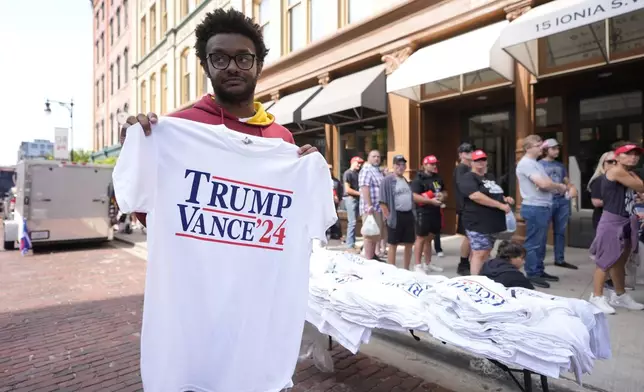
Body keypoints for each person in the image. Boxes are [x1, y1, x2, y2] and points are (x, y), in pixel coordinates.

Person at [118, 8, 318, 228]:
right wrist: (137, 153)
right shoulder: (178, 129)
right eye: (220, 58)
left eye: (243, 58)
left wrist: (310, 176)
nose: (232, 67)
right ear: (206, 66)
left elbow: (292, 217)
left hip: (260, 262)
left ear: (258, 65)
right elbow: (151, 216)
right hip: (194, 263)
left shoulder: (281, 138)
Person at [589, 143, 644, 314]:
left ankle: (619, 295)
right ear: (617, 157)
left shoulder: (630, 173)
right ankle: (596, 297)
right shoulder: (616, 170)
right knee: (605, 261)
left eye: (636, 154)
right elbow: (641, 187)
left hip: (627, 219)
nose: (633, 157)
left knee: (620, 262)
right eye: (628, 154)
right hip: (612, 221)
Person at [516, 135, 568, 288]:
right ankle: (532, 273)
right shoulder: (527, 164)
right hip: (535, 207)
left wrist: (550, 185)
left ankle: (538, 270)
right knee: (534, 243)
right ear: (528, 148)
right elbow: (543, 184)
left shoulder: (535, 164)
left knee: (540, 242)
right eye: (538, 145)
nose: (542, 148)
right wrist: (559, 186)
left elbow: (545, 184)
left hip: (542, 206)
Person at [458, 150, 514, 275]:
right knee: (479, 252)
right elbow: (475, 196)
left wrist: (505, 199)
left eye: (483, 160)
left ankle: (481, 277)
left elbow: (494, 194)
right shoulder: (468, 178)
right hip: (477, 222)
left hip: (492, 223)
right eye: (477, 160)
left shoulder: (489, 177)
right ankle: (476, 282)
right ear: (471, 162)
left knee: (486, 251)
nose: (480, 163)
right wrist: (500, 205)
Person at [539, 139, 578, 270]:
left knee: (560, 232)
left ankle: (559, 259)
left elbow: (567, 181)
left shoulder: (560, 165)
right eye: (553, 148)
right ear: (545, 150)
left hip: (562, 201)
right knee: (542, 232)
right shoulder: (538, 165)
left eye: (557, 148)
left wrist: (572, 187)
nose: (557, 151)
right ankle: (539, 261)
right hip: (547, 200)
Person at [379, 155, 416, 270]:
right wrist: (388, 217)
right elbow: (382, 201)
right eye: (398, 164)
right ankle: (392, 270)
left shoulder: (405, 180)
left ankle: (406, 269)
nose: (401, 167)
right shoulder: (387, 180)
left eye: (403, 164)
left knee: (409, 243)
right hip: (396, 216)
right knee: (393, 244)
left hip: (408, 214)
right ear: (393, 166)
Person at [411, 155, 445, 273]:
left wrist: (443, 195)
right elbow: (414, 196)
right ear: (424, 165)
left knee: (430, 238)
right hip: (423, 212)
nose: (434, 166)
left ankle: (428, 263)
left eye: (435, 163)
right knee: (420, 238)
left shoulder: (438, 178)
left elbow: (444, 191)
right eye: (431, 164)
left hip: (435, 211)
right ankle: (417, 265)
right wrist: (430, 201)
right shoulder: (418, 179)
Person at [359, 150, 386, 260]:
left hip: (378, 208)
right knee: (369, 234)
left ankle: (373, 255)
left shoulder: (378, 171)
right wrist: (369, 205)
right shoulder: (366, 170)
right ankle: (368, 257)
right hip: (370, 208)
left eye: (378, 157)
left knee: (375, 233)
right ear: (368, 158)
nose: (376, 159)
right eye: (374, 156)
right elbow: (365, 188)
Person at [453, 142, 474, 275]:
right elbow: (465, 188)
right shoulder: (461, 168)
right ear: (461, 154)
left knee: (473, 237)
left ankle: (470, 262)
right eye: (466, 152)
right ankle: (463, 263)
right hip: (466, 207)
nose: (469, 154)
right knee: (469, 237)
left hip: (470, 207)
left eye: (471, 151)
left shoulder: (469, 168)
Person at [588, 151, 616, 230]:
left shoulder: (618, 179)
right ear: (602, 164)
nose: (614, 164)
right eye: (610, 161)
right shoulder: (599, 180)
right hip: (603, 219)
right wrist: (618, 201)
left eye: (616, 161)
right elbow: (596, 202)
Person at [343, 156, 364, 249]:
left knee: (354, 222)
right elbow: (347, 189)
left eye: (360, 163)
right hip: (351, 199)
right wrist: (361, 193)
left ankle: (352, 243)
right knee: (352, 222)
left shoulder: (358, 174)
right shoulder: (348, 173)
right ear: (352, 162)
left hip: (358, 199)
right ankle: (350, 245)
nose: (359, 165)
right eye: (357, 162)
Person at [328, 164, 343, 240]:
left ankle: (335, 234)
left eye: (331, 169)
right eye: (328, 169)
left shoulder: (336, 181)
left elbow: (340, 190)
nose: (329, 170)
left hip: (334, 203)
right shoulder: (321, 180)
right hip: (325, 203)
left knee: (334, 217)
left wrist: (339, 199)